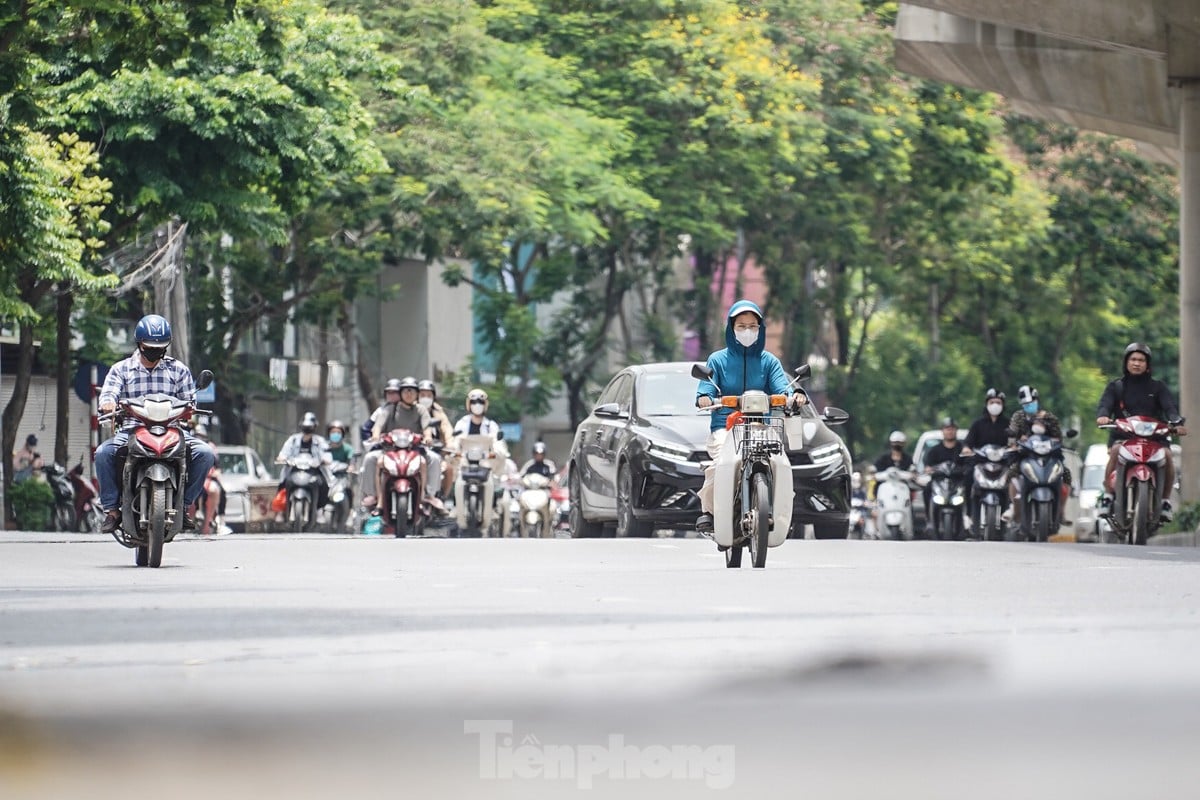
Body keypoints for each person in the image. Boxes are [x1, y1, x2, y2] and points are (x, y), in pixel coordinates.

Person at [694, 299, 807, 534]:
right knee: (719, 465)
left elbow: (782, 388)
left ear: (761, 328)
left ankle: (779, 508)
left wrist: (794, 394)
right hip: (725, 427)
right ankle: (709, 511)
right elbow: (705, 389)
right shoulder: (717, 360)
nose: (747, 331)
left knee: (780, 463)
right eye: (741, 326)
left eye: (753, 326)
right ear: (731, 328)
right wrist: (705, 398)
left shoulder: (769, 362)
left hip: (761, 427)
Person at [96, 314, 215, 534]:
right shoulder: (121, 369)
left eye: (160, 347)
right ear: (139, 344)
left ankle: (185, 505)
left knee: (205, 453)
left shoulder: (178, 370)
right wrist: (108, 404)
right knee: (103, 453)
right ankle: (112, 510)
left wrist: (190, 408)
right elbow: (108, 394)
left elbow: (190, 400)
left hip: (172, 431)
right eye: (150, 346)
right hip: (132, 430)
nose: (154, 350)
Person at [1096, 342, 1188, 521]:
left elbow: (1170, 407)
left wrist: (1176, 422)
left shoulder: (1158, 387)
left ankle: (1164, 502)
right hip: (1123, 436)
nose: (1136, 363)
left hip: (1155, 439)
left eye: (1141, 360)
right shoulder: (1116, 387)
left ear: (1147, 365)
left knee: (1168, 456)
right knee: (1115, 451)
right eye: (1133, 359)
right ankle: (1107, 496)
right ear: (1126, 362)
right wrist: (1103, 416)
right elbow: (1104, 405)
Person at [361, 377, 439, 511]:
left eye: (412, 391)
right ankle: (373, 495)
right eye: (406, 391)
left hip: (415, 451)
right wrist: (375, 435)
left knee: (434, 459)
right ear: (401, 393)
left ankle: (428, 495)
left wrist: (427, 437)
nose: (409, 394)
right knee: (371, 458)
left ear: (417, 394)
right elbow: (378, 426)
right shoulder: (389, 409)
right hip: (390, 451)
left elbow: (427, 429)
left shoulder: (421, 410)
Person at [1004, 384, 1069, 526]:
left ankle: (1061, 511)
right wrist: (1016, 441)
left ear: (1037, 401)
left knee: (1066, 473)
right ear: (1022, 404)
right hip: (1026, 456)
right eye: (1026, 404)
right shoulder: (1018, 417)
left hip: (1049, 456)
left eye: (1032, 402)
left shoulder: (1048, 417)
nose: (1030, 406)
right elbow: (1012, 435)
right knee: (1012, 471)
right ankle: (1012, 505)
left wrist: (1055, 440)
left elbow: (1058, 436)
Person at [275, 412, 334, 516]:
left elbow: (327, 455)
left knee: (324, 485)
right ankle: (281, 512)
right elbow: (283, 453)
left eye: (310, 427)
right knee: (283, 483)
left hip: (314, 472)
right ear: (301, 426)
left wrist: (324, 460)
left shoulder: (320, 441)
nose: (307, 429)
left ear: (315, 427)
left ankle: (321, 509)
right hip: (294, 470)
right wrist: (282, 458)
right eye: (305, 427)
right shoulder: (293, 440)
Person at [922, 416, 966, 534]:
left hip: (958, 483)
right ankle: (929, 519)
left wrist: (965, 469)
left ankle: (969, 518)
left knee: (972, 489)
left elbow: (969, 463)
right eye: (947, 429)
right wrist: (929, 469)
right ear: (942, 431)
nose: (949, 431)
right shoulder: (934, 450)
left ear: (956, 430)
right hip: (939, 483)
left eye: (952, 429)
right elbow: (927, 466)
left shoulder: (962, 449)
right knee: (926, 489)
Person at [418, 379, 455, 498]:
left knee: (448, 469)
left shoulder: (438, 412)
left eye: (429, 395)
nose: (425, 398)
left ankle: (440, 497)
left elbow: (447, 429)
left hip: (435, 451)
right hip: (415, 451)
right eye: (422, 395)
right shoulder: (412, 410)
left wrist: (450, 443)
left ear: (433, 397)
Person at [963, 388, 1010, 453]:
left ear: (1003, 405)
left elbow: (1014, 442)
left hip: (1004, 460)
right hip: (981, 460)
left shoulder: (1009, 424)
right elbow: (968, 441)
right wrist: (966, 448)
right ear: (986, 404)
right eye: (992, 402)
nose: (995, 405)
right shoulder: (977, 424)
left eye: (998, 402)